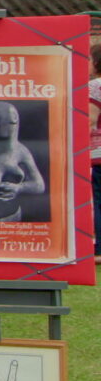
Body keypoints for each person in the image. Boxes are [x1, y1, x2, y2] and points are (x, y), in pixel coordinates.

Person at [88, 44, 101, 264]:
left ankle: (98, 250)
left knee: (97, 200)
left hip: (97, 152)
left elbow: (89, 120)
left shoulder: (94, 87)